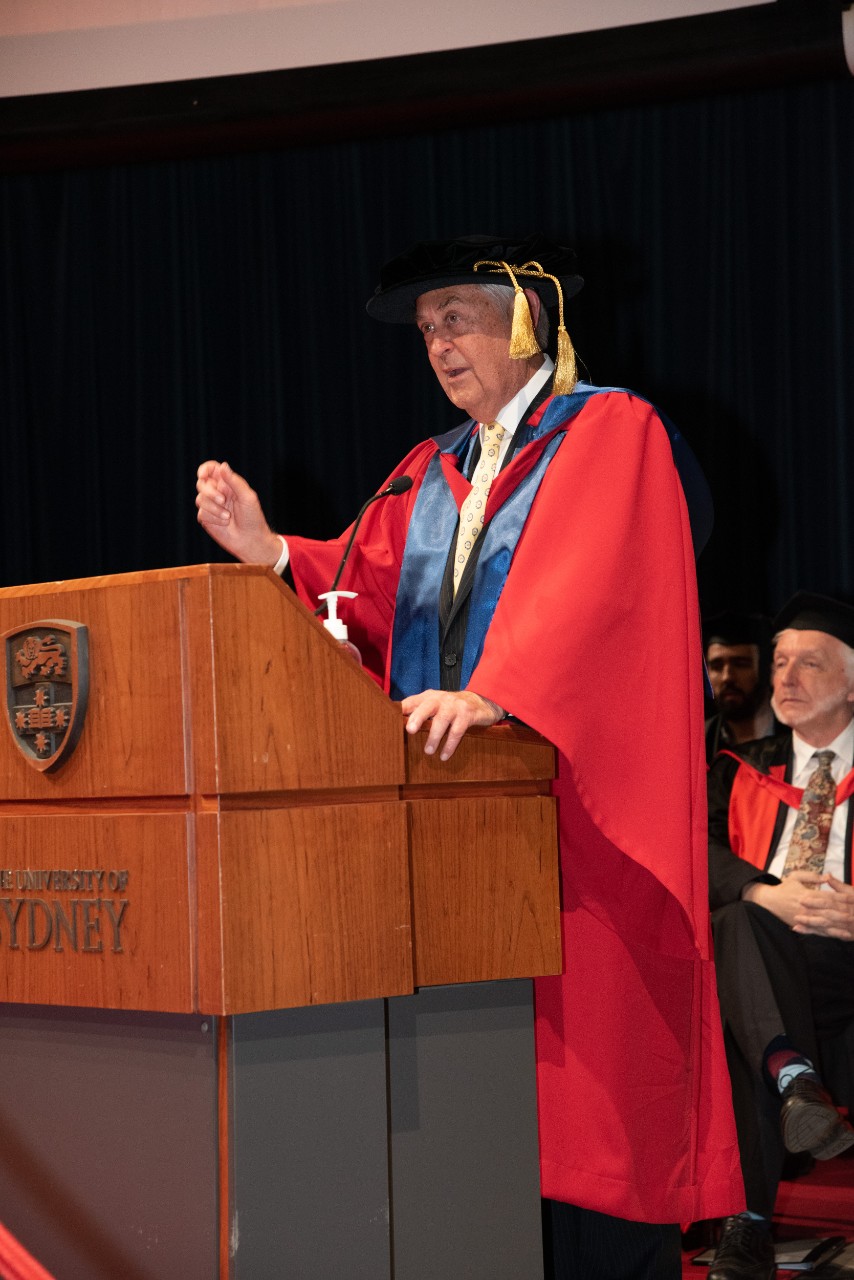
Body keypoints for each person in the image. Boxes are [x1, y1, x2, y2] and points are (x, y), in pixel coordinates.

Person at [196, 234, 743, 1278]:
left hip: (568, 821)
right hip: (449, 835)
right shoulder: (427, 470)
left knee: (588, 1117)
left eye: (455, 316)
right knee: (475, 1134)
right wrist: (272, 552)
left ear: (525, 313)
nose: (437, 343)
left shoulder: (607, 429)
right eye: (425, 328)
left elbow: (598, 584)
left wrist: (500, 691)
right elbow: (362, 583)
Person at [707, 592, 854, 1280]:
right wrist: (766, 891)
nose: (785, 679)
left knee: (743, 996)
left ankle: (750, 1224)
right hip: (770, 956)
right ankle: (794, 1078)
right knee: (740, 925)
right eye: (782, 664)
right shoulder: (737, 765)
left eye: (810, 664)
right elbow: (688, 848)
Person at [704, 611, 777, 764]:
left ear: (766, 670)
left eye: (741, 664)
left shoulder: (797, 734)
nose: (727, 677)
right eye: (717, 666)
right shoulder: (702, 740)